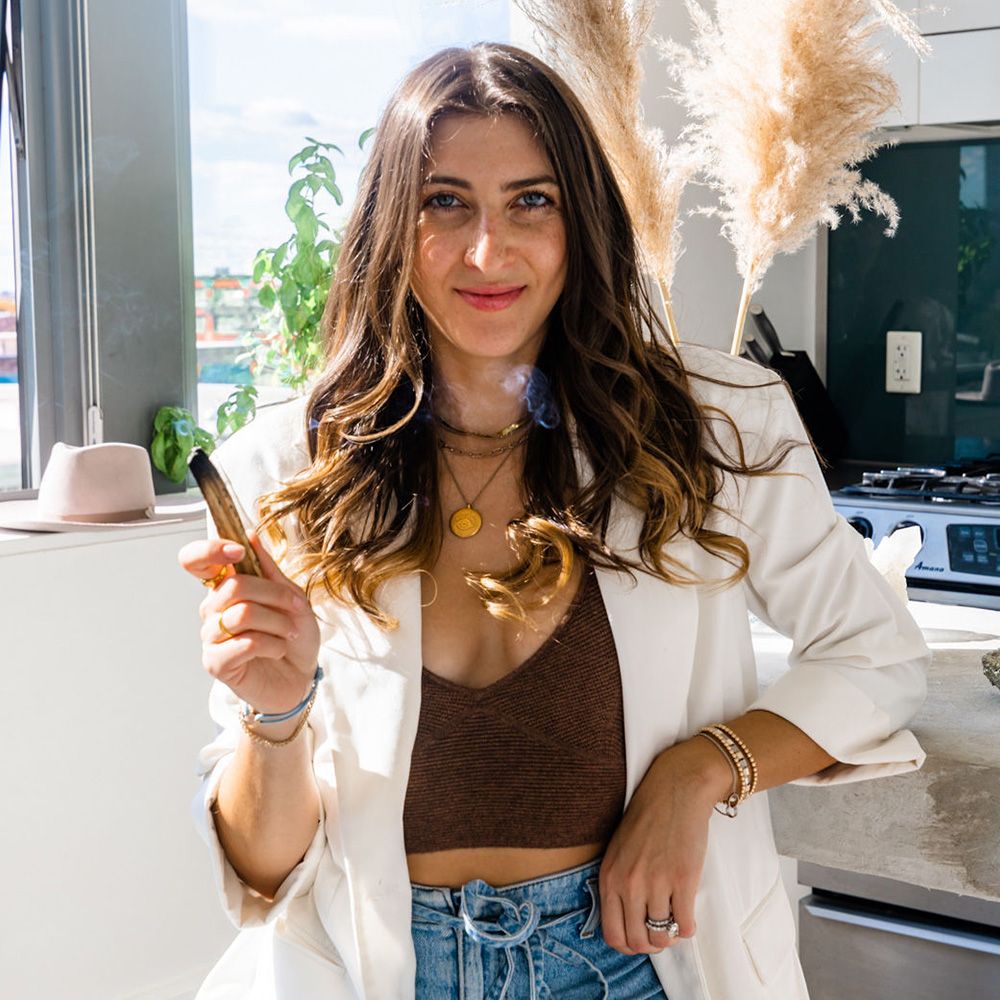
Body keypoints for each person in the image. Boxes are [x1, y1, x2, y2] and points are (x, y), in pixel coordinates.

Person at [178, 43, 930, 1000]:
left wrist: (702, 770)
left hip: (637, 966)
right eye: (445, 202)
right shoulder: (289, 470)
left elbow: (876, 655)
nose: (488, 251)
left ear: (582, 223)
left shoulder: (714, 427)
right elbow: (265, 874)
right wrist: (276, 716)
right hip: (371, 975)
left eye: (531, 201)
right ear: (390, 228)